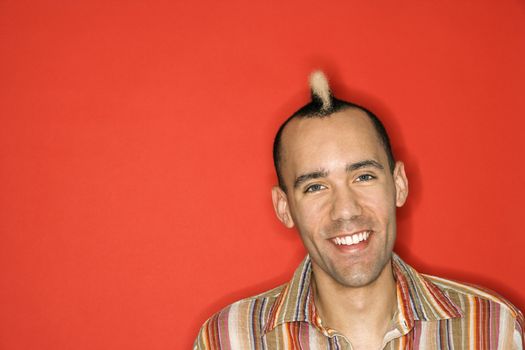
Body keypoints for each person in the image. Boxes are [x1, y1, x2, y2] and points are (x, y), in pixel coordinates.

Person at [194, 71, 524, 349]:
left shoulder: (493, 328)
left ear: (399, 184)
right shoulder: (229, 339)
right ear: (284, 208)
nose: (346, 210)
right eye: (315, 186)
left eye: (363, 176)